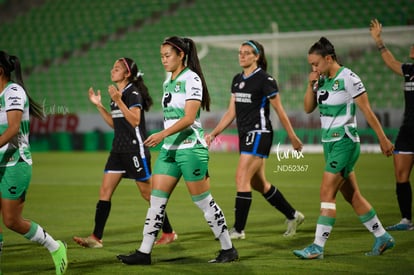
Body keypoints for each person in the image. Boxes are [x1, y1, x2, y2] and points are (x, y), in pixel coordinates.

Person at [116, 36, 238, 265]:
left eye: (167, 55)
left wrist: (161, 135)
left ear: (181, 55)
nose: (163, 60)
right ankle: (144, 252)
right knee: (156, 201)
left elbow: (190, 117)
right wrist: (165, 139)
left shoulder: (192, 79)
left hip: (191, 149)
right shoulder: (168, 81)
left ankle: (228, 249)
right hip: (170, 150)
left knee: (203, 201)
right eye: (161, 56)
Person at [293, 37, 395, 259]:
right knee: (353, 196)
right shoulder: (321, 80)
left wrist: (383, 139)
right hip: (329, 144)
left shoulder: (348, 78)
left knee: (326, 192)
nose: (314, 68)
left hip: (345, 142)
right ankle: (382, 236)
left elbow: (367, 110)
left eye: (316, 63)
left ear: (328, 59)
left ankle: (317, 247)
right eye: (311, 65)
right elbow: (308, 108)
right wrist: (311, 84)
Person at [205, 40, 305, 239]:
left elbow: (280, 111)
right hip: (246, 136)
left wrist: (293, 136)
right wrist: (214, 133)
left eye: (247, 53)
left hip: (259, 133)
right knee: (260, 184)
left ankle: (238, 230)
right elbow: (231, 112)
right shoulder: (236, 79)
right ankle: (293, 215)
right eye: (240, 52)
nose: (242, 56)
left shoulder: (265, 80)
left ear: (257, 56)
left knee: (241, 177)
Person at [73, 58, 177, 248]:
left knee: (149, 195)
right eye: (112, 67)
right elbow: (115, 124)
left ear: (127, 74)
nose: (113, 71)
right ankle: (96, 238)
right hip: (118, 151)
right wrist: (99, 105)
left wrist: (118, 101)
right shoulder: (118, 95)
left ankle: (169, 232)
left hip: (134, 150)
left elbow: (135, 121)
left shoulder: (132, 93)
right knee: (105, 191)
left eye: (117, 69)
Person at [0, 51, 68, 274]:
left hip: (15, 163)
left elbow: (13, 129)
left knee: (11, 221)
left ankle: (55, 247)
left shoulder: (13, 92)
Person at [369, 18, 414, 231]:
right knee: (400, 175)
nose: (412, 48)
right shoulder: (409, 70)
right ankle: (406, 220)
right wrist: (379, 41)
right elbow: (391, 62)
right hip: (408, 130)